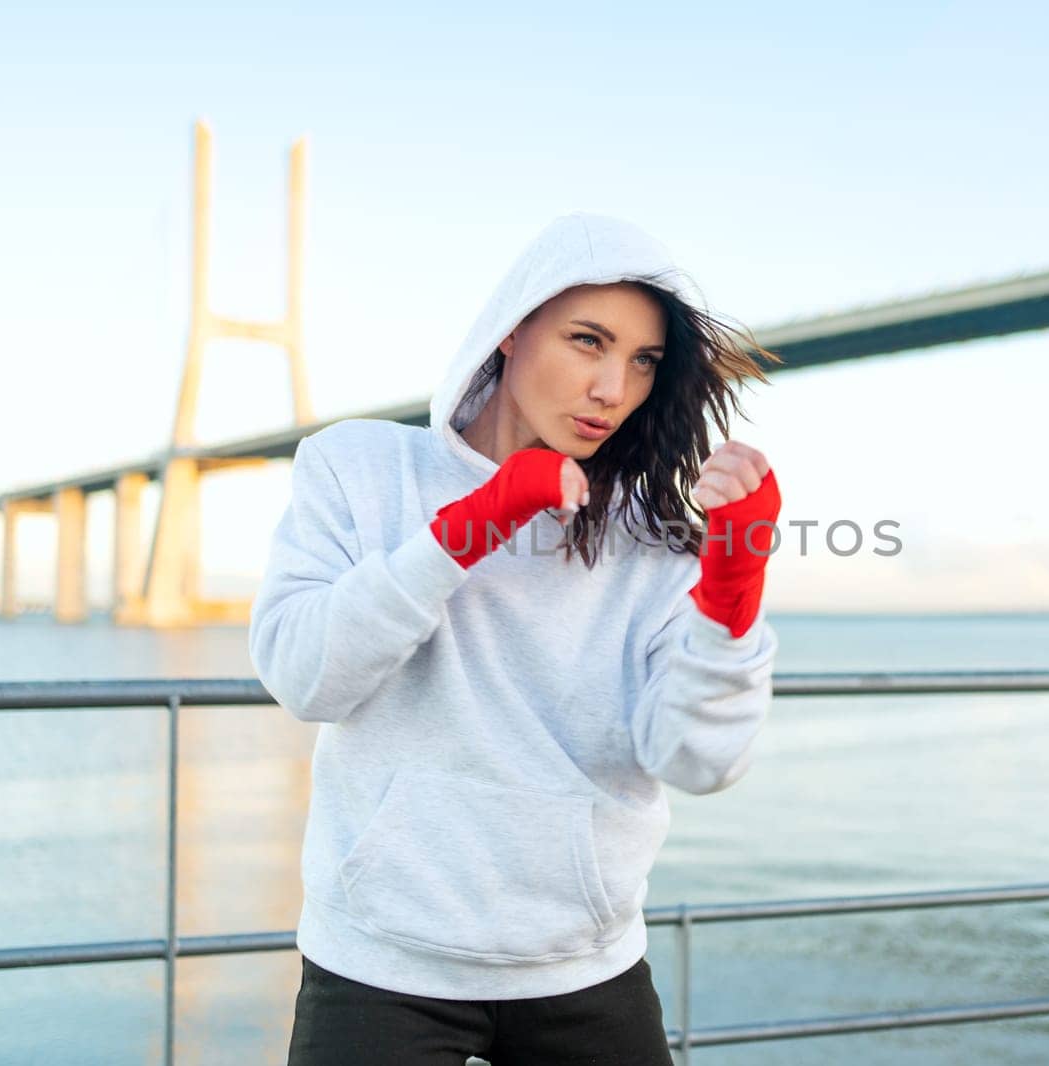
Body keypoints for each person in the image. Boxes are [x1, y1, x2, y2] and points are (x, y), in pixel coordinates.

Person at [248, 211, 784, 1065]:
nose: (614, 387)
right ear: (509, 332)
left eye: (643, 361)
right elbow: (305, 679)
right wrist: (470, 526)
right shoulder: (357, 468)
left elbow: (696, 760)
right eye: (587, 341)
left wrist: (731, 587)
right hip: (381, 960)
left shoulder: (651, 538)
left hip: (584, 967)